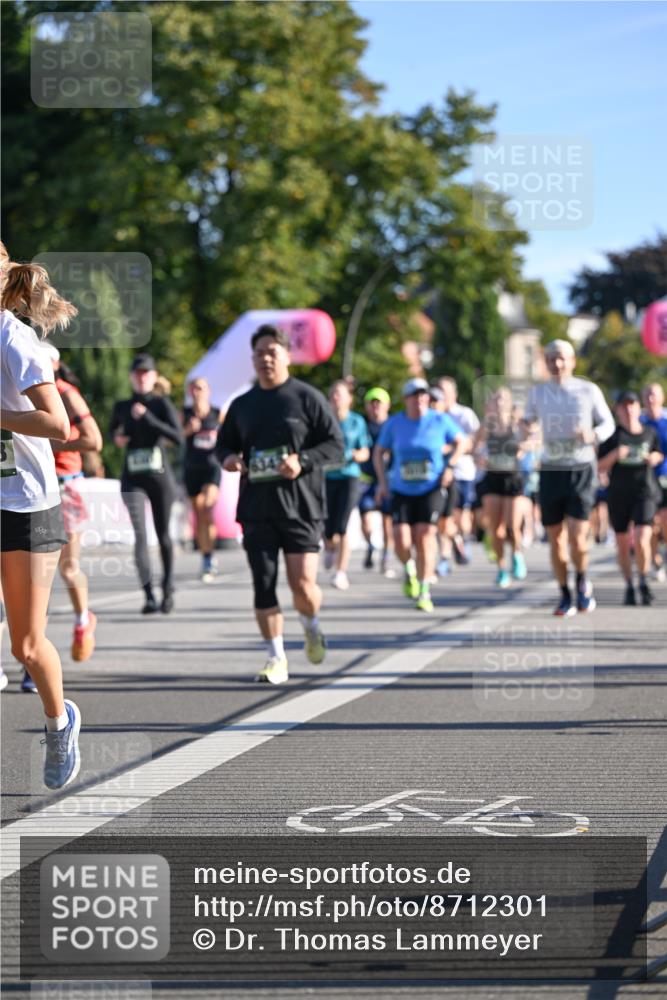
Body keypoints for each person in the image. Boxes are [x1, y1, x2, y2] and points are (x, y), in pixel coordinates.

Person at [217, 324, 343, 685]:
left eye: (273, 352)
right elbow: (223, 446)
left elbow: (336, 445)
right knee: (264, 583)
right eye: (259, 353)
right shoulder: (242, 405)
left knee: (302, 585)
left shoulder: (307, 398)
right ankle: (276, 658)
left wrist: (301, 461)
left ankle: (310, 624)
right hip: (256, 507)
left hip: (301, 507)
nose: (266, 359)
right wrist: (227, 459)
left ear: (287, 356)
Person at [0, 241, 81, 788]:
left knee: (26, 645)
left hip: (27, 505)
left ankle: (59, 722)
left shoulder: (13, 339)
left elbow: (60, 426)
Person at [523, 340, 615, 616]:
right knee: (556, 537)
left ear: (572, 361)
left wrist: (593, 436)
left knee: (577, 536)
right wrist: (527, 428)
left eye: (562, 358)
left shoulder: (588, 390)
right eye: (551, 359)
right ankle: (564, 593)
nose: (557, 363)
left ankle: (582, 580)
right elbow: (528, 422)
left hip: (580, 469)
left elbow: (608, 423)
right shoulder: (537, 393)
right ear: (546, 362)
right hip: (551, 469)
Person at [374, 378, 465, 613]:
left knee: (425, 536)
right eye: (415, 396)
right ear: (406, 399)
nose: (420, 400)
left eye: (424, 395)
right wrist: (383, 483)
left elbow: (462, 442)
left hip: (431, 487)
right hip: (402, 489)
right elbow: (379, 452)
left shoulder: (439, 420)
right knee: (401, 539)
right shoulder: (395, 424)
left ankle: (424, 589)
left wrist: (450, 466)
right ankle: (410, 570)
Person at [38, 344, 103, 673]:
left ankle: (82, 619)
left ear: (55, 365)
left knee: (65, 568)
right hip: (30, 489)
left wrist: (54, 441)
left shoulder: (65, 394)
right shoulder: (15, 391)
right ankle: (30, 657)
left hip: (66, 486)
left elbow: (94, 440)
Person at [109, 354, 182, 614]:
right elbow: (113, 431)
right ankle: (149, 595)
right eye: (137, 373)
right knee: (140, 535)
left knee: (163, 535)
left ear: (153, 376)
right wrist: (117, 437)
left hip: (160, 478)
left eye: (146, 373)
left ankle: (168, 587)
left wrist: (148, 418)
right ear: (131, 377)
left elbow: (178, 437)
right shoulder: (122, 406)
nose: (141, 377)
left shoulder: (162, 404)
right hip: (133, 478)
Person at [598, 391, 663, 605]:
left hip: (645, 492)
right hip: (619, 494)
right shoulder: (613, 438)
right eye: (623, 406)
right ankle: (629, 584)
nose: (628, 409)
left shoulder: (649, 433)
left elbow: (659, 453)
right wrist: (616, 455)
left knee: (643, 535)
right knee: (622, 542)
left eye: (632, 405)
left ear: (638, 408)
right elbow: (599, 466)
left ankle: (643, 580)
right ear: (617, 410)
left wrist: (655, 457)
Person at [474, 387, 527, 587]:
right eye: (496, 399)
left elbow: (532, 442)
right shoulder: (487, 425)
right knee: (495, 529)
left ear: (510, 402)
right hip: (493, 477)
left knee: (512, 525)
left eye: (503, 399)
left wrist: (522, 449)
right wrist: (479, 458)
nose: (499, 403)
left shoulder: (518, 424)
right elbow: (474, 447)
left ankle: (517, 554)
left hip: (512, 478)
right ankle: (502, 568)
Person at [323, 380, 371, 590]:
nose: (336, 397)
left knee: (342, 526)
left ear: (349, 399)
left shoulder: (356, 422)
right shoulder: (322, 421)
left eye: (340, 394)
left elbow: (365, 451)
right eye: (333, 393)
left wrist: (352, 455)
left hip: (349, 477)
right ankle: (329, 546)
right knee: (326, 527)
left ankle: (340, 572)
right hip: (326, 478)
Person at [433, 377, 480, 572]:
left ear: (454, 393)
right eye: (439, 391)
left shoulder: (464, 414)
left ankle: (461, 537)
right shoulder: (432, 415)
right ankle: (444, 556)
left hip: (462, 472)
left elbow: (475, 441)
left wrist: (452, 448)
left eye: (445, 391)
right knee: (442, 519)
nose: (442, 395)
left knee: (460, 518)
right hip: (439, 473)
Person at [181, 376, 224, 583]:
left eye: (201, 388)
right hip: (192, 469)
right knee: (199, 514)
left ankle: (210, 555)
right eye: (194, 388)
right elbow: (174, 437)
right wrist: (188, 429)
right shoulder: (186, 414)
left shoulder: (217, 413)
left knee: (207, 507)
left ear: (208, 391)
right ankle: (206, 556)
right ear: (190, 392)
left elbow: (230, 435)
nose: (198, 392)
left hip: (212, 468)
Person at [358, 386, 395, 576]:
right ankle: (371, 545)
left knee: (387, 521)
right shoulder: (362, 425)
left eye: (379, 403)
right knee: (365, 519)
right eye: (371, 404)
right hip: (367, 480)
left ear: (386, 405)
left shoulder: (393, 425)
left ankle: (387, 557)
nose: (375, 407)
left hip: (388, 480)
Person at [641, 382, 667, 583]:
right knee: (648, 524)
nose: (651, 399)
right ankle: (655, 560)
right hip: (643, 480)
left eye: (654, 395)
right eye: (647, 395)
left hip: (665, 477)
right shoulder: (638, 421)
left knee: (664, 521)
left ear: (662, 398)